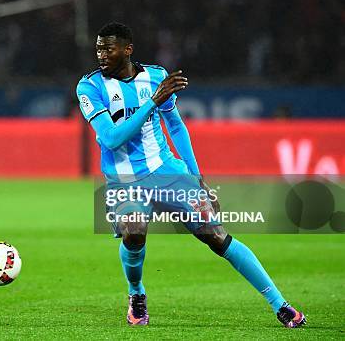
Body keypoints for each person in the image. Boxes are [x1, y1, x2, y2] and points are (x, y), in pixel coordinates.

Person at [76, 22, 306, 328]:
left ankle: (281, 304)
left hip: (168, 171)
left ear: (127, 49)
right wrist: (152, 103)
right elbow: (110, 139)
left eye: (108, 48)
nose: (101, 54)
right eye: (98, 48)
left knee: (216, 236)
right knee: (134, 229)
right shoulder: (89, 87)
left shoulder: (156, 76)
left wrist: (197, 178)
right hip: (124, 180)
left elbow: (175, 125)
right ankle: (136, 293)